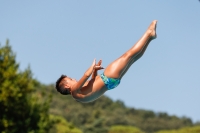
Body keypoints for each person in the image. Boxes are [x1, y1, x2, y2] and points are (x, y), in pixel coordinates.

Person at [55, 20, 157, 103]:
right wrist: (92, 67)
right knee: (128, 55)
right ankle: (148, 33)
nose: (74, 78)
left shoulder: (80, 92)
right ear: (67, 86)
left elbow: (92, 82)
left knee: (133, 58)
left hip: (111, 83)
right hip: (107, 78)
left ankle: (150, 38)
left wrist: (95, 72)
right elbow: (86, 75)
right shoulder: (74, 91)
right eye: (71, 79)